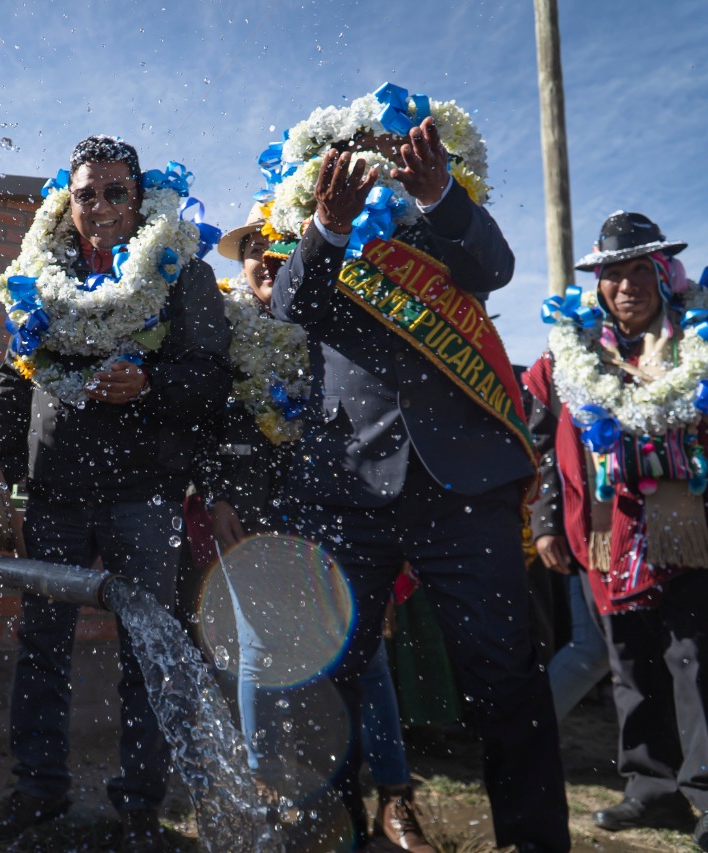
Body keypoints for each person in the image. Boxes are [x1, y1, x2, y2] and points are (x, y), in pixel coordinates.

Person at [263, 85, 569, 851]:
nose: (377, 164)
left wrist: (442, 197)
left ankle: (533, 839)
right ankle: (335, 835)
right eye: (359, 152)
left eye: (389, 149)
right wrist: (328, 226)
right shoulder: (317, 232)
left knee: (506, 676)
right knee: (327, 677)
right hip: (346, 484)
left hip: (465, 486)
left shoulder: (443, 227)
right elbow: (288, 307)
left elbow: (497, 264)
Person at [0, 135, 231, 853]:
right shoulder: (43, 271)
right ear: (70, 200)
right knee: (42, 647)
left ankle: (140, 806)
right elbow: (17, 370)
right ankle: (39, 790)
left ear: (140, 199)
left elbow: (212, 376)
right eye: (86, 194)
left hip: (144, 495)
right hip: (54, 492)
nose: (101, 206)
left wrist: (149, 384)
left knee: (148, 650)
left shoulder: (180, 271)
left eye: (117, 192)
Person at [202, 206, 434, 852]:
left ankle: (394, 797)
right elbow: (203, 416)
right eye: (254, 250)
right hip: (252, 508)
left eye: (279, 247)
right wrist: (216, 494)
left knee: (364, 649)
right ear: (243, 263)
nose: (266, 260)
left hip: (338, 505)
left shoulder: (333, 311)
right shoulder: (224, 324)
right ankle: (269, 788)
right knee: (257, 647)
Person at [525, 211, 708, 849]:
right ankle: (651, 790)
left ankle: (705, 794)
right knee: (630, 663)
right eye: (613, 274)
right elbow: (541, 443)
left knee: (695, 661)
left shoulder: (697, 340)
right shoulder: (567, 355)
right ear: (598, 286)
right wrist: (546, 521)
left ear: (662, 273)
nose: (627, 285)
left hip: (691, 529)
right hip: (608, 535)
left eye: (639, 271)